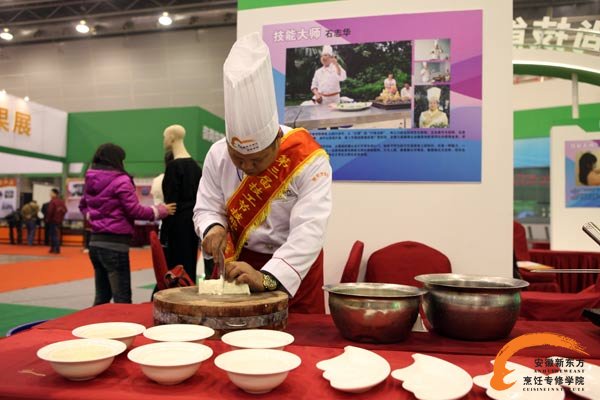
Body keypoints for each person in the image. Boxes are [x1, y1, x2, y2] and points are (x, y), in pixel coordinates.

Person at [193, 32, 332, 314]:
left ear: (277, 142)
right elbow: (207, 206)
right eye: (238, 158)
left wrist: (269, 277)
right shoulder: (218, 153)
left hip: (293, 270)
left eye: (255, 161)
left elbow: (310, 229)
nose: (245, 167)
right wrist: (213, 228)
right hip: (238, 263)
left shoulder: (309, 159)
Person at [79, 143, 176, 305]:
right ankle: (123, 330)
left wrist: (94, 217)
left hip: (95, 244)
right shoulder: (121, 180)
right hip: (115, 247)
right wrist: (161, 210)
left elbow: (83, 206)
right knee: (122, 299)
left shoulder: (90, 178)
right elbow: (135, 211)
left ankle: (94, 328)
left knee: (101, 298)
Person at [161, 125, 203, 283]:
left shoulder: (173, 167)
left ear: (171, 137)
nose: (164, 140)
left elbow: (170, 205)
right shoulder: (196, 167)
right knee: (189, 263)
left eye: (164, 136)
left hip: (177, 226)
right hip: (192, 224)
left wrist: (164, 233)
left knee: (175, 267)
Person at [45, 188, 67, 254]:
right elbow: (65, 210)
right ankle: (53, 249)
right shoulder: (61, 201)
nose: (50, 194)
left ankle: (56, 249)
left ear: (54, 194)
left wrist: (48, 219)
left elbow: (50, 211)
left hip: (53, 220)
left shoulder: (53, 201)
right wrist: (61, 217)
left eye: (51, 193)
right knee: (55, 234)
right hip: (58, 221)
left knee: (53, 235)